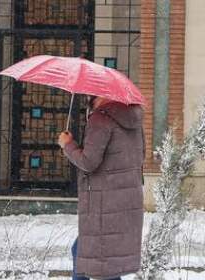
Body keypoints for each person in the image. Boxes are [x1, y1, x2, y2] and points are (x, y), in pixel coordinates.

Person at [58, 96, 145, 280]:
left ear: (101, 96)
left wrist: (68, 145)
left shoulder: (100, 119)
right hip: (126, 200)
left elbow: (88, 162)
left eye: (92, 95)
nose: (89, 98)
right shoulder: (134, 121)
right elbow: (139, 157)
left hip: (103, 202)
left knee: (89, 256)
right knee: (107, 262)